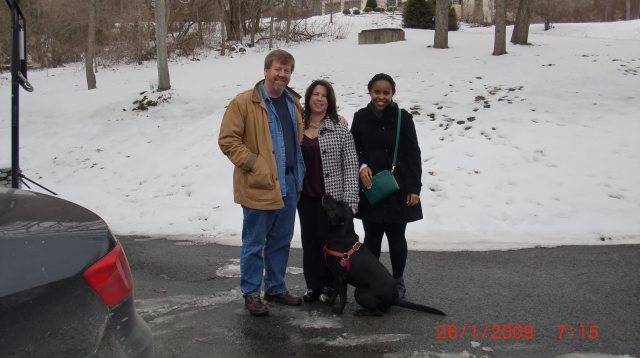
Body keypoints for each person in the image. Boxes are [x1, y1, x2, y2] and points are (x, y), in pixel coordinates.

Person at [218, 49, 306, 317]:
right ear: (266, 70)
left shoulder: (293, 102)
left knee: (281, 240)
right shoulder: (244, 102)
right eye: (278, 69)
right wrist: (255, 165)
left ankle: (276, 288)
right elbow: (228, 140)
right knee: (255, 242)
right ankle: (252, 293)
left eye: (287, 70)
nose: (282, 74)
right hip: (260, 184)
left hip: (289, 181)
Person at [350, 73, 423, 299]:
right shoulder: (361, 117)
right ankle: (372, 280)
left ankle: (398, 281)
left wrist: (414, 188)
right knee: (371, 237)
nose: (381, 97)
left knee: (396, 237)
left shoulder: (403, 118)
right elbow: (354, 148)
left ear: (392, 94)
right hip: (371, 186)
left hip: (398, 188)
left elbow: (413, 154)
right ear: (370, 92)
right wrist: (361, 166)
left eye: (386, 92)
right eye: (376, 92)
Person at [297, 79, 359, 303]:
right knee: (309, 242)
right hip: (304, 197)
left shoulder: (340, 127)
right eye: (315, 94)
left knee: (330, 244)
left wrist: (351, 201)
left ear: (329, 100)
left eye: (324, 95)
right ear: (308, 97)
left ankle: (331, 286)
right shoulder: (297, 125)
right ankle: (313, 286)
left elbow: (351, 164)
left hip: (331, 199)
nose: (319, 99)